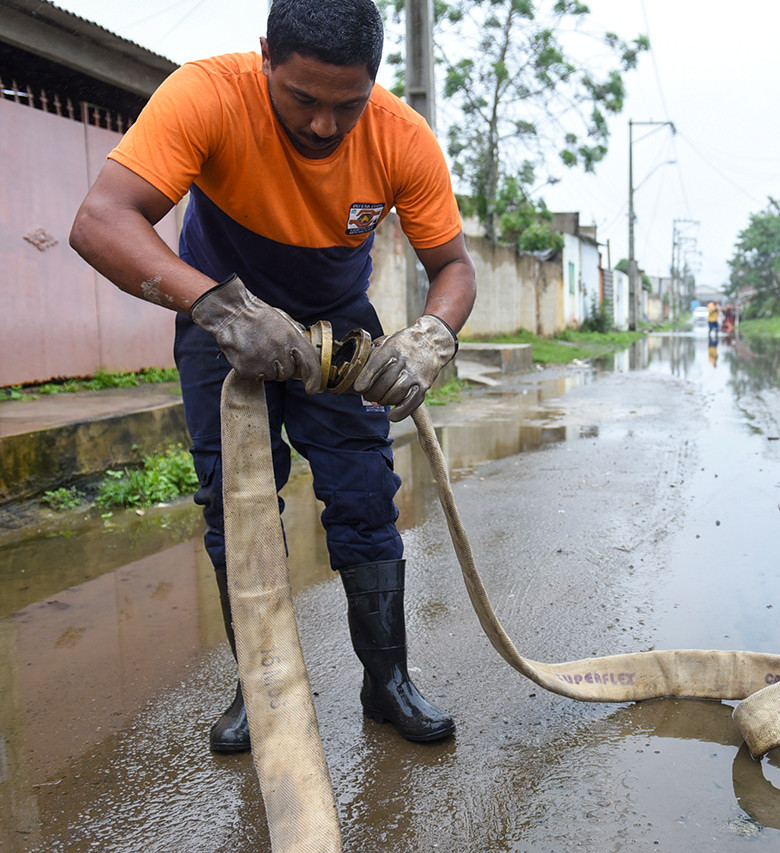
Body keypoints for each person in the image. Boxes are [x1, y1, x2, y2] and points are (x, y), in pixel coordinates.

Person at [69, 0, 476, 753]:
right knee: (238, 506)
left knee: (364, 499)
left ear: (373, 86)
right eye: (302, 100)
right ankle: (259, 686)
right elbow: (100, 220)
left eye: (346, 105)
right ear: (266, 56)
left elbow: (450, 266)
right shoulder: (206, 95)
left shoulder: (400, 138)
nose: (324, 125)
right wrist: (216, 309)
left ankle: (387, 682)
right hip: (221, 318)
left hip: (339, 326)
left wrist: (431, 335)